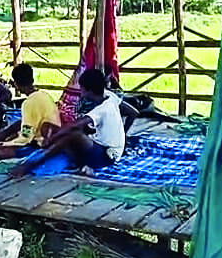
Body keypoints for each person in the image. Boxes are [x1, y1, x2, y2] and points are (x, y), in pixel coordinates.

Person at [9, 68, 137, 178]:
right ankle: (71, 160)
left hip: (107, 155)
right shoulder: (110, 96)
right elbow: (133, 112)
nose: (80, 92)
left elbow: (27, 132)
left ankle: (31, 164)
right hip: (97, 144)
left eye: (81, 89)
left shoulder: (103, 109)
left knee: (73, 135)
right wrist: (122, 135)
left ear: (89, 90)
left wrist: (9, 142)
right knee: (58, 132)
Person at [0, 63, 61, 160]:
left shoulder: (28, 103)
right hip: (52, 140)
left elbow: (26, 136)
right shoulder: (45, 95)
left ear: (16, 84)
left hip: (39, 145)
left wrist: (6, 144)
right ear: (32, 80)